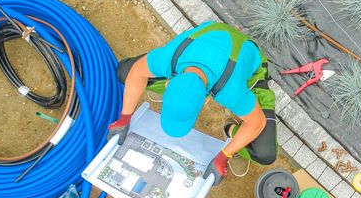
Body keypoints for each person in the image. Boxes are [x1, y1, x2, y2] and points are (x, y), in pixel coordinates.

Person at [107, 21, 277, 184]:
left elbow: (257, 122)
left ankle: (231, 128)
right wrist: (125, 117)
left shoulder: (229, 91)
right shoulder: (170, 57)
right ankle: (178, 95)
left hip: (248, 64)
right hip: (212, 37)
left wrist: (224, 155)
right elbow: (137, 72)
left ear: (206, 100)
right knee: (125, 71)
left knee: (265, 153)